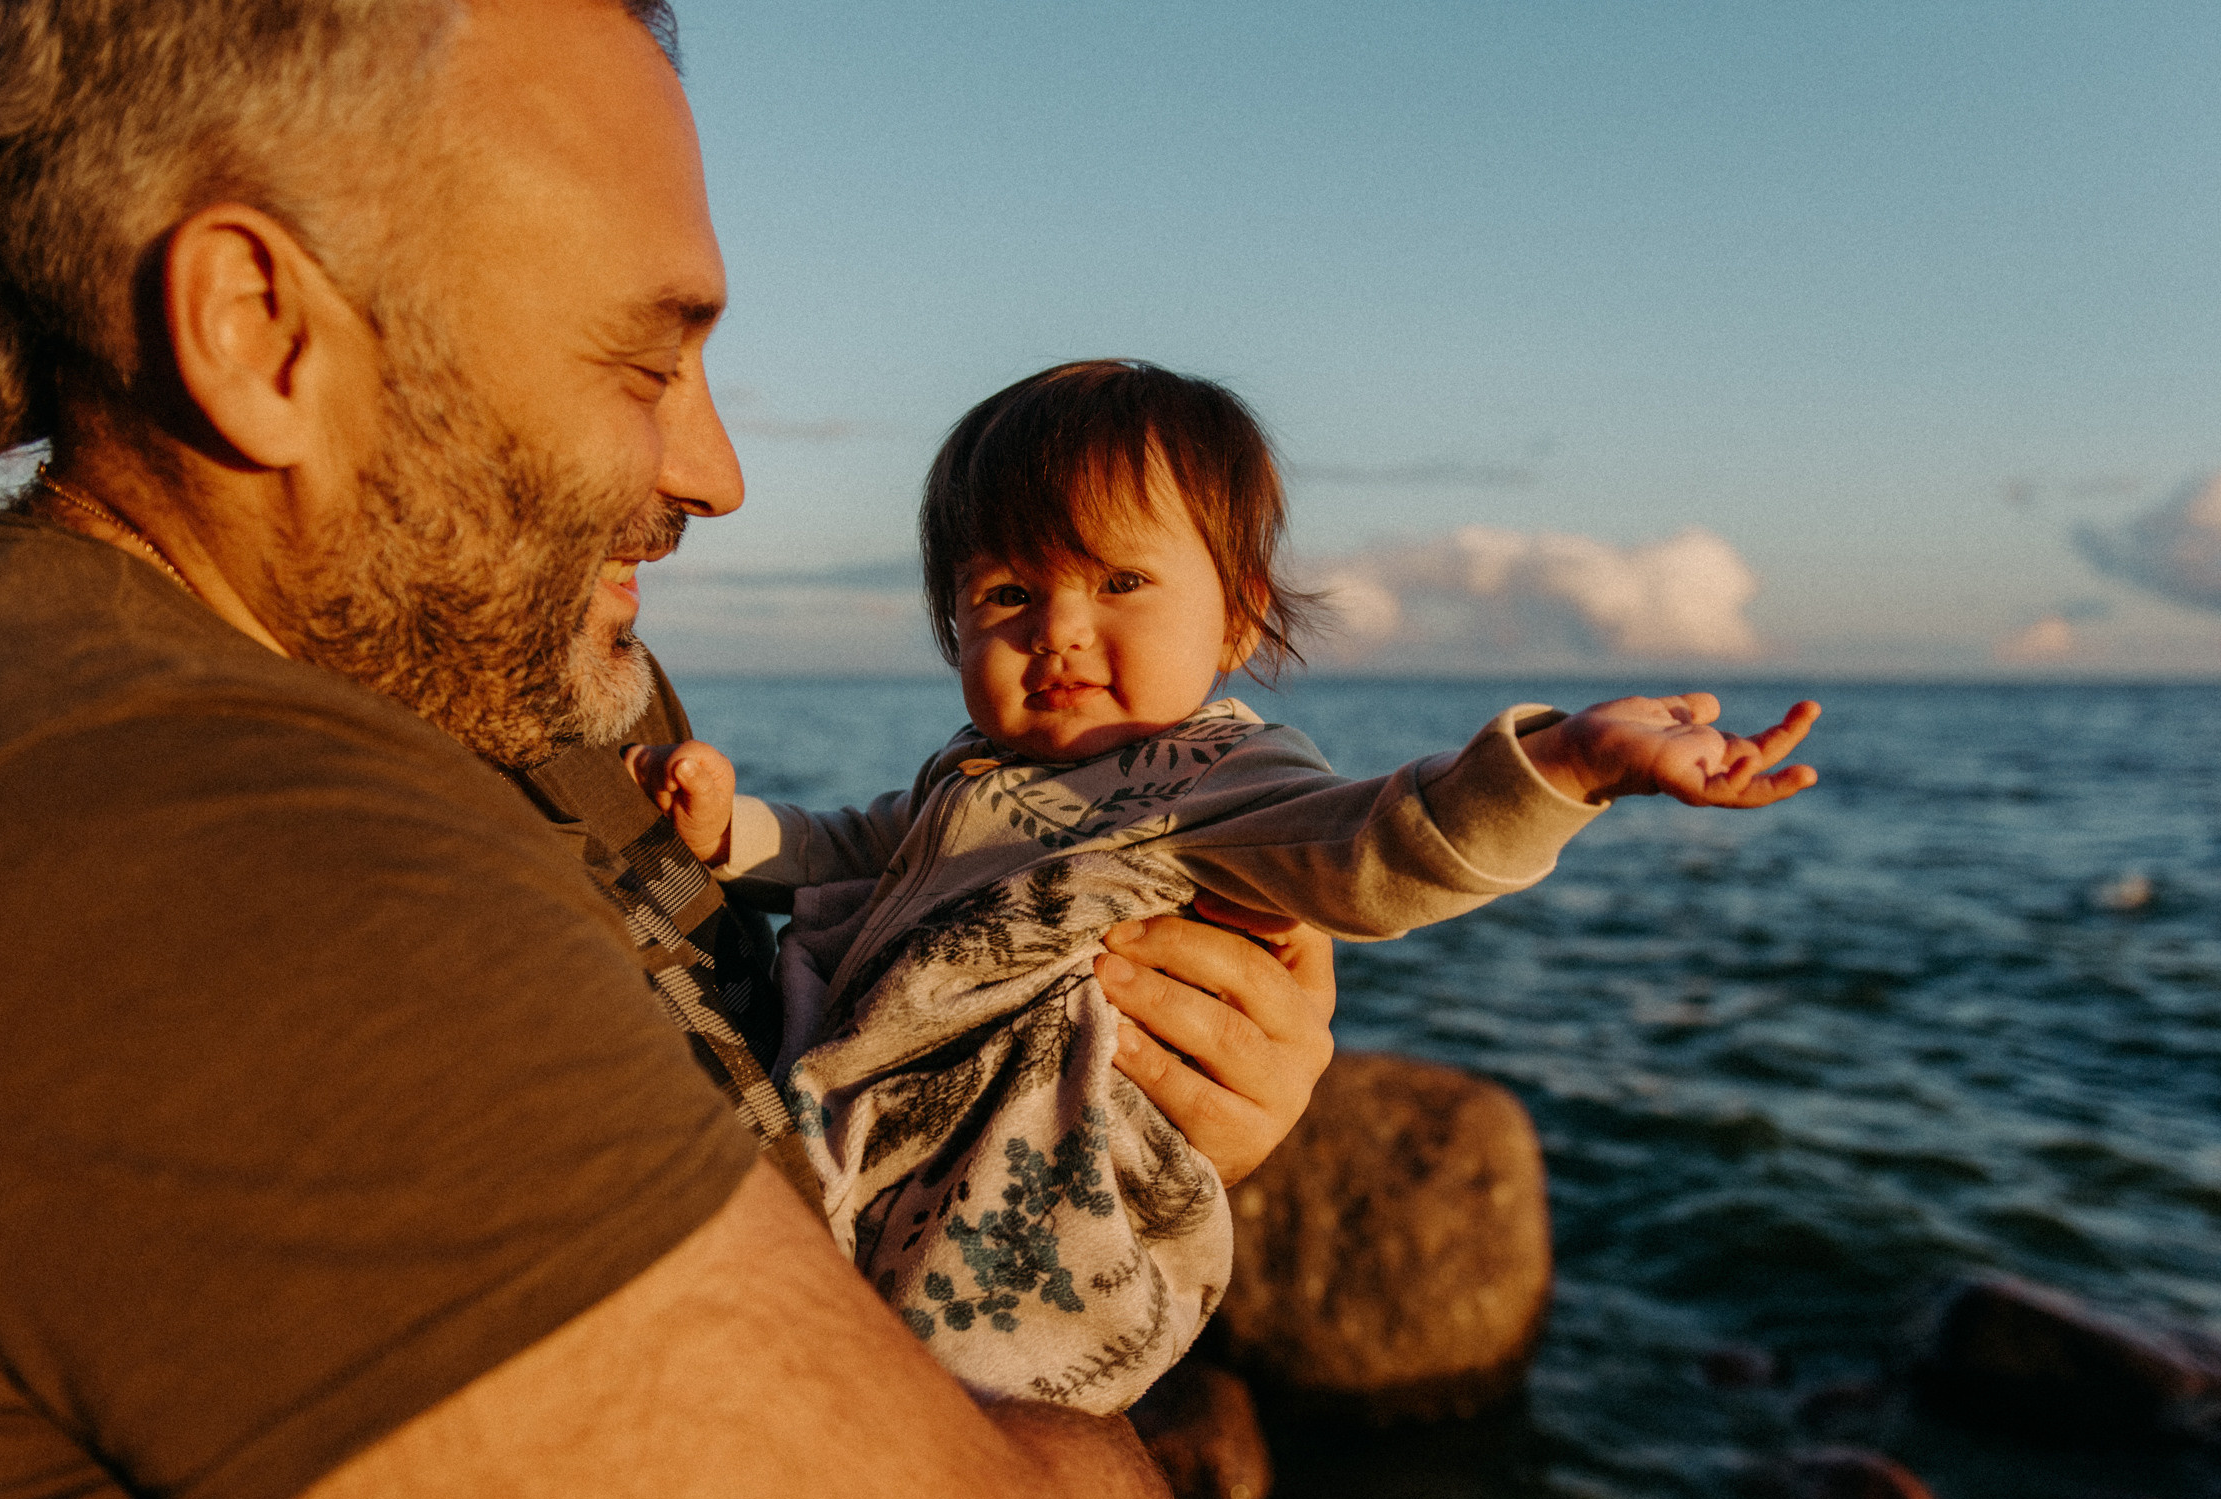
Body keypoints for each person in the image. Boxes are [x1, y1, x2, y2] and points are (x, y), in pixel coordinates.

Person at [0, 4, 1341, 1499]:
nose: (714, 468)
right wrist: (1074, 1451)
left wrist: (1113, 1107)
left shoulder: (510, 708)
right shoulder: (186, 873)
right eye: (643, 360)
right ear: (259, 331)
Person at [627, 359, 1822, 1414]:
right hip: (857, 1126)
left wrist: (1569, 763)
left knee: (939, 1392)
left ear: (1239, 613)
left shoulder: (1217, 778)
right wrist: (734, 831)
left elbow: (1386, 843)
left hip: (1027, 1178)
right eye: (1009, 595)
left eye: (1119, 585)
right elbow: (852, 847)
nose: (1059, 631)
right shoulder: (969, 773)